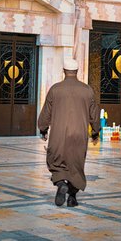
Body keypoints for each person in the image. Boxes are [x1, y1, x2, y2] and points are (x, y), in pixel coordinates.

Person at [37, 57, 100, 207]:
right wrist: (95, 132)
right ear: (77, 71)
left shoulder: (55, 89)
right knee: (76, 165)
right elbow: (94, 114)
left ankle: (60, 184)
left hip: (59, 134)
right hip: (79, 135)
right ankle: (72, 197)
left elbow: (46, 112)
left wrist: (43, 129)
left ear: (64, 71)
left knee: (55, 161)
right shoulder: (87, 90)